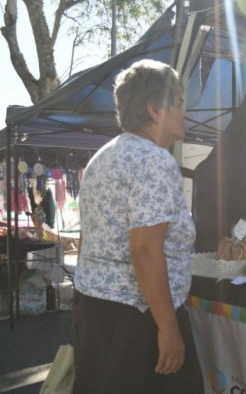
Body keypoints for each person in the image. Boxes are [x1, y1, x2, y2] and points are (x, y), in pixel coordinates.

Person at [73, 60, 204, 393]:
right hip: (138, 319)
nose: (184, 112)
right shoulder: (154, 160)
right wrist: (168, 329)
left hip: (96, 309)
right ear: (155, 110)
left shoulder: (102, 157)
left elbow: (89, 236)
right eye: (178, 103)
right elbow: (144, 249)